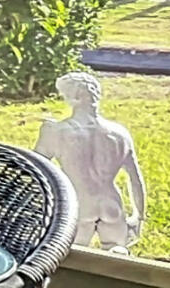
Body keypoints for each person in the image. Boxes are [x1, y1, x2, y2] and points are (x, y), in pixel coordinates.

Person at [34, 70, 148, 252]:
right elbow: (135, 179)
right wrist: (139, 216)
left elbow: (36, 171)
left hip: (79, 205)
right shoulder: (119, 133)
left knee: (72, 258)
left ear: (73, 97)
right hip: (112, 204)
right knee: (117, 258)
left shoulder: (57, 132)